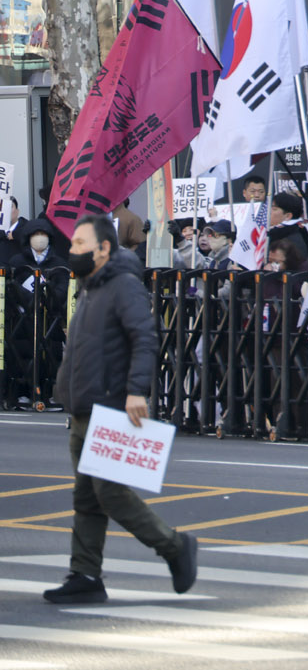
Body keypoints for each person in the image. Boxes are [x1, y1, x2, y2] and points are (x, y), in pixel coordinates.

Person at [40, 215, 199, 606]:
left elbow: (144, 338)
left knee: (109, 494)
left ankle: (175, 546)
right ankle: (85, 574)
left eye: (79, 243)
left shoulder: (123, 285)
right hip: (83, 408)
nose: (72, 250)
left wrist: (135, 391)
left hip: (110, 405)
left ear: (104, 248)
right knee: (87, 499)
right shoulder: (92, 288)